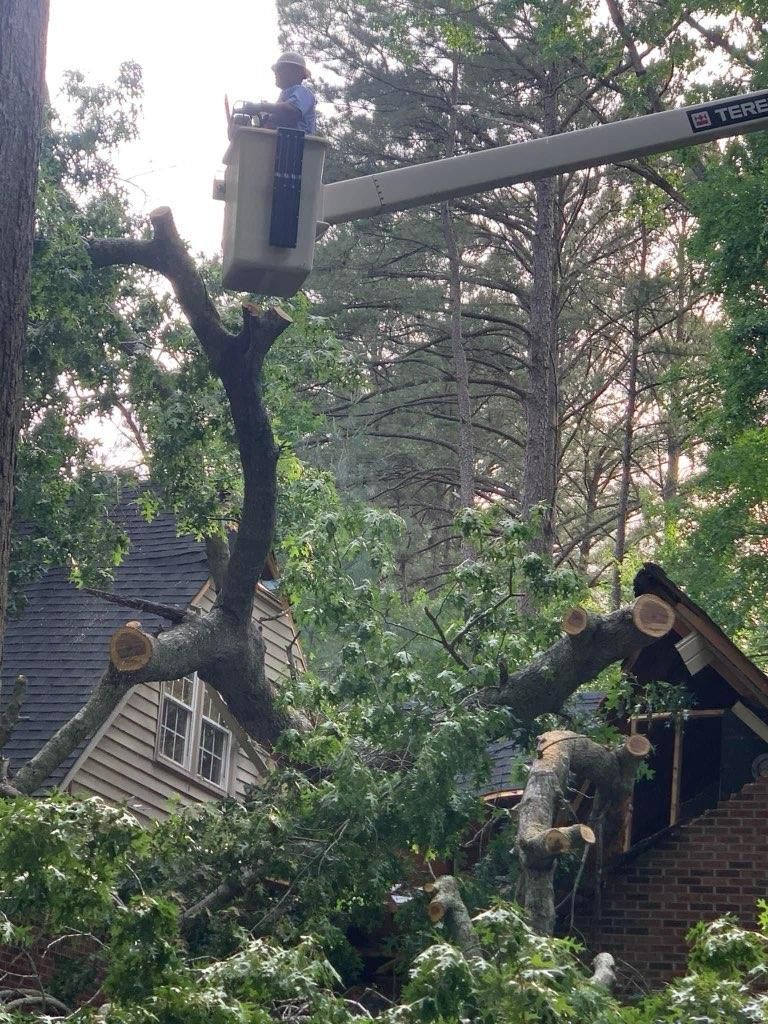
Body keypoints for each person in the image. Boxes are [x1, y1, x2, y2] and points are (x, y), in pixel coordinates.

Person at [238, 51, 317, 135]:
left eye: (280, 69)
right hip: (280, 141)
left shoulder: (303, 92)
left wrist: (262, 106)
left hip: (297, 143)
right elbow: (275, 119)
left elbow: (290, 111)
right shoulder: (284, 95)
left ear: (295, 72)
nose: (275, 73)